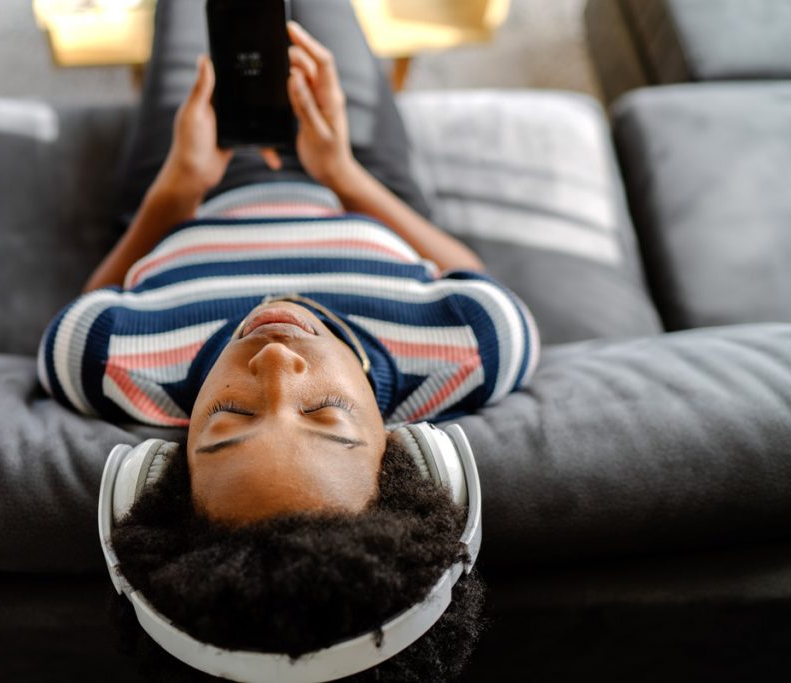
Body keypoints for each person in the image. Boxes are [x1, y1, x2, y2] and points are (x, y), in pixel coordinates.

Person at [38, 0, 538, 677]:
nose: (274, 362)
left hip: (191, 188)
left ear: (166, 469)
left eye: (228, 416)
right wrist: (343, 171)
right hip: (357, 188)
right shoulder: (467, 347)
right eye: (326, 412)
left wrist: (178, 187)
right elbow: (470, 278)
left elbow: (90, 305)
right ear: (404, 453)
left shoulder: (115, 362)